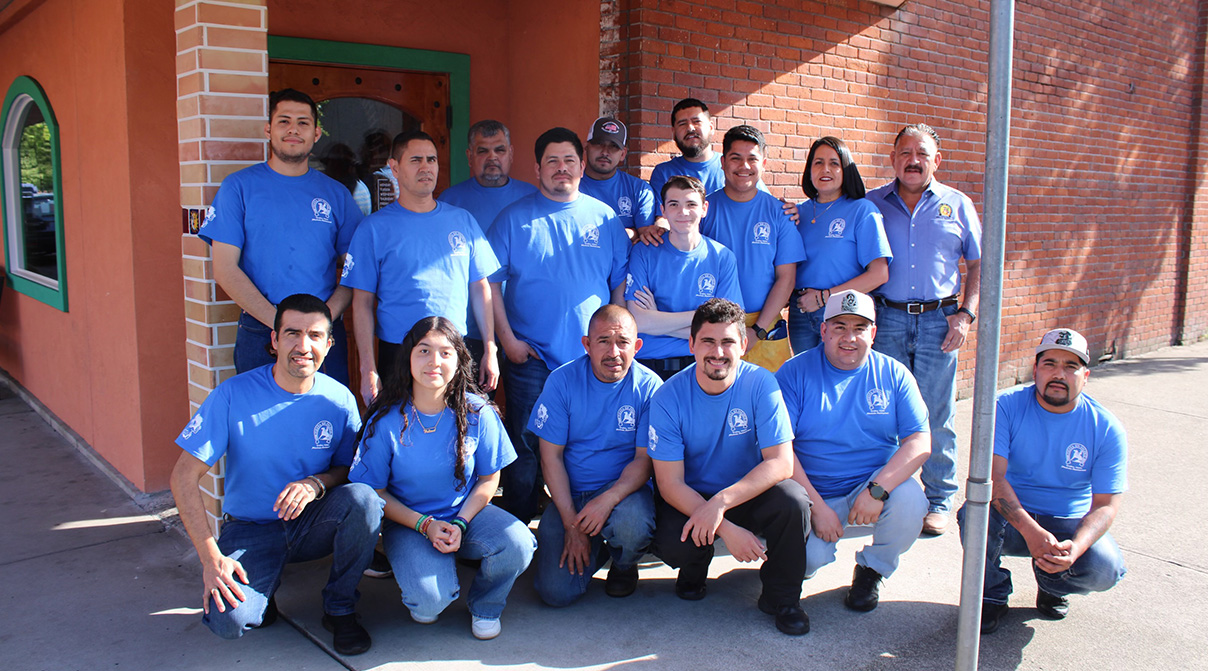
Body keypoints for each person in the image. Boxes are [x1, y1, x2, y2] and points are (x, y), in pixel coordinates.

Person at [169, 294, 383, 656]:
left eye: (315, 335)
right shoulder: (232, 395)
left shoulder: (339, 399)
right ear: (274, 340)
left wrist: (315, 483)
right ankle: (262, 597)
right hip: (251, 527)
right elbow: (183, 477)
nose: (304, 346)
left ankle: (340, 607)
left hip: (312, 522)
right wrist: (210, 559)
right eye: (292, 333)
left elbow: (350, 470)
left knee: (364, 500)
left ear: (329, 345)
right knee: (228, 621)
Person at [349, 316, 535, 640]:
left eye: (446, 353)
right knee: (428, 606)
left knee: (519, 542)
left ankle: (486, 605)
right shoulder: (386, 418)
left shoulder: (478, 412)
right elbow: (374, 491)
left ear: (460, 360)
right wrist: (426, 525)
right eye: (424, 351)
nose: (434, 361)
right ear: (407, 357)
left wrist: (461, 523)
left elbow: (490, 479)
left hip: (465, 515)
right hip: (411, 522)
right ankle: (423, 572)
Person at [487, 127, 630, 523]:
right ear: (537, 168)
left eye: (569, 160)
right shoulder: (512, 220)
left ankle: (583, 517)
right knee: (526, 443)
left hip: (592, 357)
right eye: (552, 161)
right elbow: (490, 286)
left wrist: (615, 341)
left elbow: (618, 281)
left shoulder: (604, 219)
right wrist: (507, 341)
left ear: (582, 165)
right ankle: (517, 523)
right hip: (531, 355)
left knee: (587, 440)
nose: (561, 168)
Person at [648, 298, 812, 636]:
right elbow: (669, 484)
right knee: (671, 541)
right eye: (708, 341)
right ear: (691, 344)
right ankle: (695, 565)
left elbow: (781, 463)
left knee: (793, 502)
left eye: (727, 342)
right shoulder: (668, 397)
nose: (718, 352)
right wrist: (724, 528)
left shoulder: (762, 384)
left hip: (746, 491)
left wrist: (721, 504)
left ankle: (783, 598)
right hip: (692, 496)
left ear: (744, 344)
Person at [960, 328, 1127, 634]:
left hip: (1068, 522)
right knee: (973, 515)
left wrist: (1074, 549)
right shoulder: (1005, 407)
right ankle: (992, 594)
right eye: (1049, 364)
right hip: (1010, 518)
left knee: (1106, 569)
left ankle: (1053, 583)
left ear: (1086, 376)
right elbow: (992, 478)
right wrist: (1030, 530)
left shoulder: (1106, 427)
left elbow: (1106, 506)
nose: (1058, 374)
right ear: (1035, 370)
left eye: (1070, 366)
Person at [776, 290, 930, 612]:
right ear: (823, 330)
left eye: (859, 328)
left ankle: (872, 570)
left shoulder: (894, 374)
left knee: (912, 502)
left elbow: (919, 440)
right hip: (815, 491)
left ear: (873, 333)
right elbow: (780, 448)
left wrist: (878, 490)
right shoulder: (793, 373)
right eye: (839, 327)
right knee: (806, 562)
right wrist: (817, 508)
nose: (849, 337)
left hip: (869, 483)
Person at [199, 89, 362, 384]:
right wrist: (279, 322)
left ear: (316, 133)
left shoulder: (336, 194)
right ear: (268, 130)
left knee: (325, 423)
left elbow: (356, 269)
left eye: (303, 123)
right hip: (262, 326)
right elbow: (224, 268)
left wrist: (325, 317)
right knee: (259, 424)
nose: (293, 129)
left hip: (320, 330)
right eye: (284, 121)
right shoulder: (239, 188)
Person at [867, 123, 982, 536]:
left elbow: (980, 263)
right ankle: (886, 492)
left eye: (922, 153)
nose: (912, 161)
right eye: (904, 153)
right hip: (888, 317)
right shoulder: (872, 203)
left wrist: (966, 314)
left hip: (940, 321)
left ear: (937, 160)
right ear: (893, 158)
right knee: (884, 408)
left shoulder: (958, 204)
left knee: (937, 411)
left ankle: (938, 499)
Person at [344, 130, 500, 405]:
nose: (426, 167)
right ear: (394, 167)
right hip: (398, 351)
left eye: (431, 159)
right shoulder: (374, 229)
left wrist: (490, 348)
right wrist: (367, 367)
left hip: (453, 349)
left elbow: (481, 288)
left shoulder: (462, 221)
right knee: (401, 433)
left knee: (457, 431)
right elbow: (362, 302)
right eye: (416, 160)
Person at [531, 305, 662, 605]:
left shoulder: (650, 387)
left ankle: (623, 564)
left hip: (623, 494)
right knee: (555, 593)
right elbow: (550, 457)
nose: (613, 352)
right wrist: (571, 525)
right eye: (603, 341)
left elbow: (645, 460)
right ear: (587, 345)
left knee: (631, 525)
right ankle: (596, 544)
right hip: (571, 495)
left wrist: (608, 500)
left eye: (623, 342)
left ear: (637, 346)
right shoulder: (561, 382)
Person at [701, 125, 805, 373]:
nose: (744, 166)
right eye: (736, 158)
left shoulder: (780, 214)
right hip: (714, 327)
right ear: (723, 162)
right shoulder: (704, 211)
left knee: (767, 405)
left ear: (764, 163)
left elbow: (786, 278)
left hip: (765, 327)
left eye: (752, 159)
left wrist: (757, 329)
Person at [438, 120, 539, 363]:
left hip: (523, 329)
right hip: (469, 329)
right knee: (473, 401)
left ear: (511, 153)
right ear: (469, 156)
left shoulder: (533, 198)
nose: (492, 157)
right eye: (483, 150)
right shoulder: (449, 202)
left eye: (500, 150)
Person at [626, 175, 742, 380]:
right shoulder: (643, 252)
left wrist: (658, 319)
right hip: (649, 366)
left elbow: (725, 329)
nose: (683, 212)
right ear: (663, 210)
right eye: (674, 204)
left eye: (691, 204)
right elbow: (639, 321)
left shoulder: (722, 258)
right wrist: (704, 318)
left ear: (704, 208)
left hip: (700, 365)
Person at [789, 137, 892, 355]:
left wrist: (824, 297)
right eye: (818, 162)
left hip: (843, 314)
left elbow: (879, 274)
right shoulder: (798, 213)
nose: (825, 169)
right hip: (801, 312)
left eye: (834, 163)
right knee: (805, 382)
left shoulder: (862, 210)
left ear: (846, 169)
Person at [641, 98, 778, 246]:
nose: (690, 128)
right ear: (673, 132)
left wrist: (788, 210)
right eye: (682, 124)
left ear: (711, 127)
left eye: (696, 121)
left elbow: (764, 205)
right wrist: (659, 230)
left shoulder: (735, 168)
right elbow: (662, 217)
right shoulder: (663, 172)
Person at [578, 116, 656, 235]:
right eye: (599, 143)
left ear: (623, 154)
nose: (605, 152)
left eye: (614, 146)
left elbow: (646, 238)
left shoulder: (640, 190)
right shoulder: (569, 187)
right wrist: (628, 233)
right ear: (586, 147)